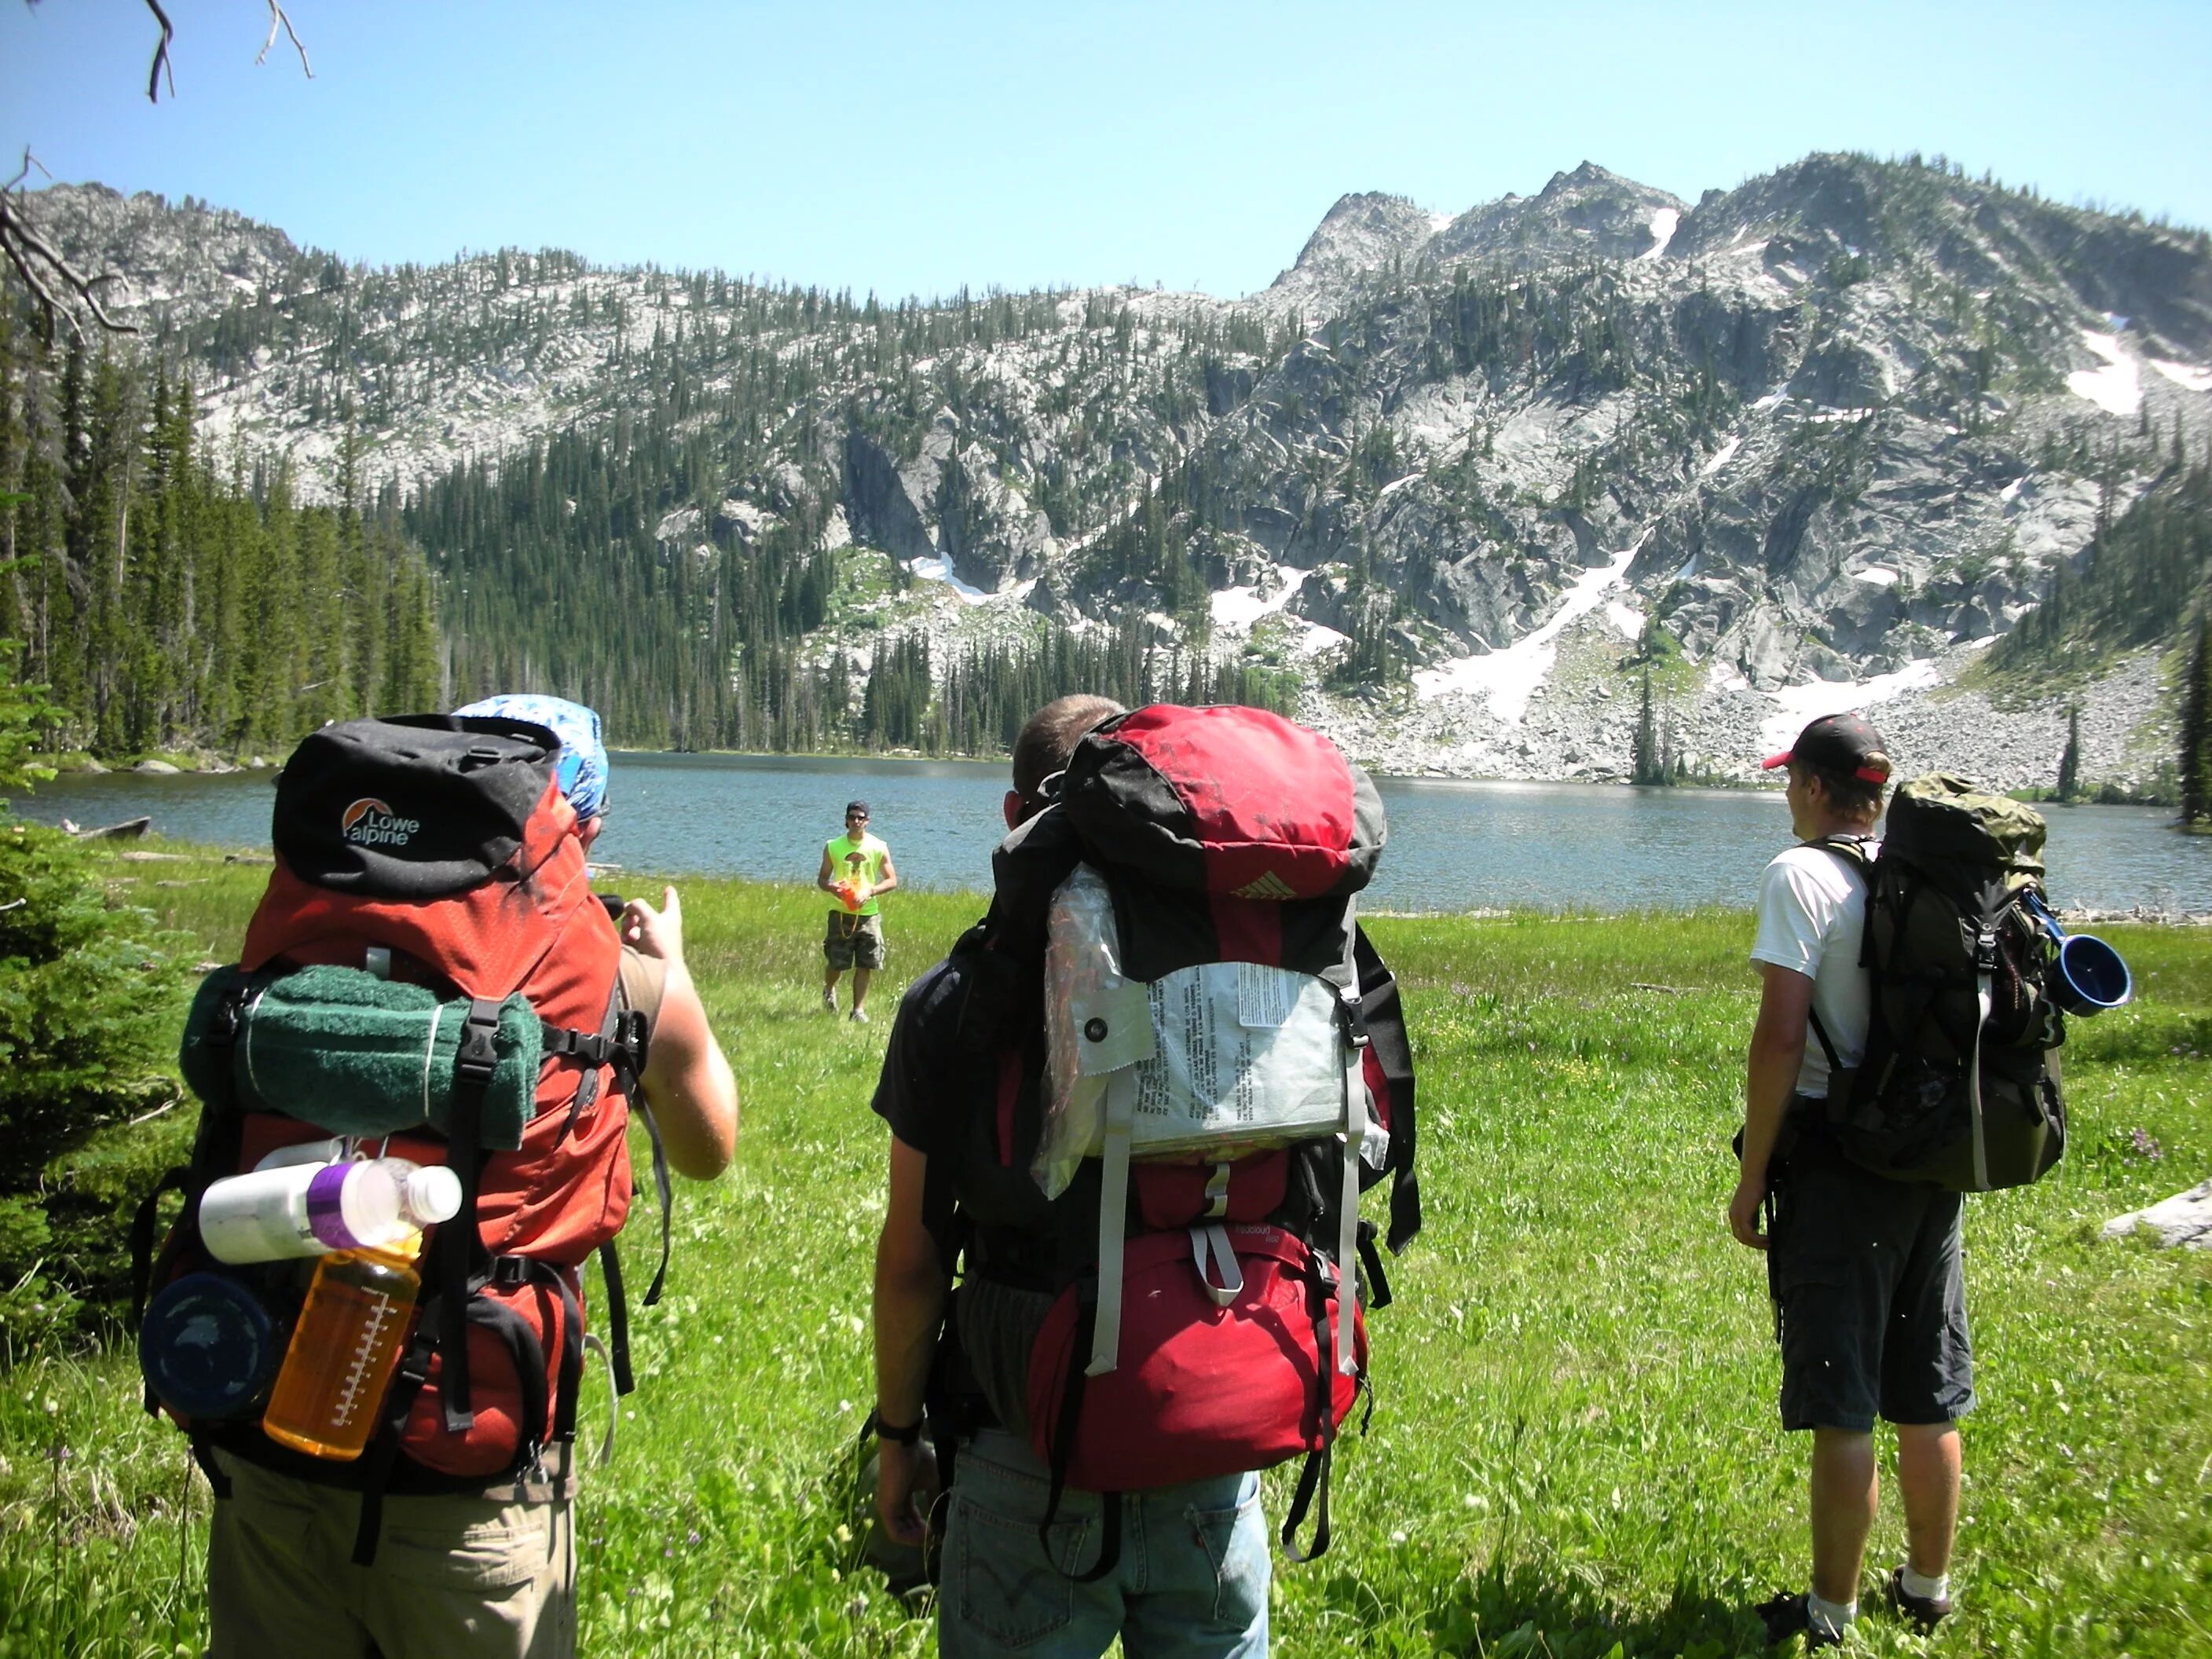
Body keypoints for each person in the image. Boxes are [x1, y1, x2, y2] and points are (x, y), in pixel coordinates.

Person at [203, 694, 738, 1659]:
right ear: (582, 818)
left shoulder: (309, 912)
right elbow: (707, 1149)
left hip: (263, 1408)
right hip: (465, 1443)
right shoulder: (626, 976)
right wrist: (675, 970)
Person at [870, 694, 1279, 1659]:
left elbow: (912, 1261)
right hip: (1211, 1424)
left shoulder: (953, 1000)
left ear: (1017, 821)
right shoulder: (1239, 994)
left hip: (1024, 1438)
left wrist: (898, 1437)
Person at [1728, 712, 1967, 1650]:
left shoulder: (1800, 875)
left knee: (1843, 1395)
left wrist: (1751, 1178)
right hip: (1927, 1153)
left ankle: (1830, 1612)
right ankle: (1927, 1585)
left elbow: (1780, 1034)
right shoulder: (1916, 876)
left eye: (1792, 779)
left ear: (1822, 789)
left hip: (1839, 1159)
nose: (1785, 793)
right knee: (1926, 1386)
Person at [819, 800, 897, 1023]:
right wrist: (832, 888)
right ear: (845, 820)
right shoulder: (833, 846)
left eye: (860, 818)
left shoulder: (878, 846)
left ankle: (857, 1011)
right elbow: (822, 879)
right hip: (841, 913)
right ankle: (829, 989)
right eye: (852, 817)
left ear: (867, 821)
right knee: (837, 963)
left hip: (868, 914)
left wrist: (870, 892)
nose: (856, 821)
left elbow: (891, 881)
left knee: (866, 963)